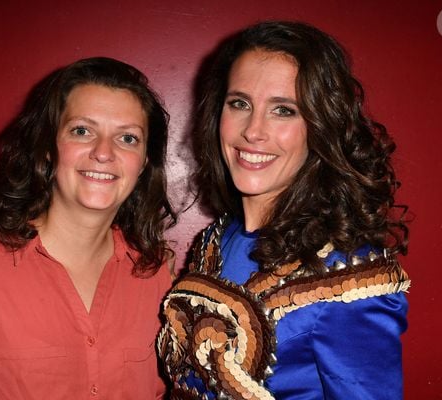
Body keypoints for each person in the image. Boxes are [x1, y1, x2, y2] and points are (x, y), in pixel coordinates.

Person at [157, 21, 410, 399]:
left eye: (283, 110)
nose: (253, 131)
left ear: (320, 125)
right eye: (239, 104)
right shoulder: (216, 238)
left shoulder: (349, 278)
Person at [0, 57, 176, 399]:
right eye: (82, 131)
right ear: (48, 148)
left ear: (143, 163)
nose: (103, 152)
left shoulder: (154, 277)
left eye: (127, 138)